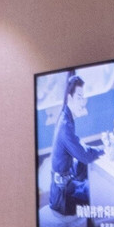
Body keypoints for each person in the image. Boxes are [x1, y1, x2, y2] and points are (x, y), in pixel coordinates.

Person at [44, 72, 93, 218]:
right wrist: (102, 151)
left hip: (63, 185)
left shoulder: (65, 115)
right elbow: (84, 155)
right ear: (70, 98)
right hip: (62, 198)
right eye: (80, 98)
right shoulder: (65, 124)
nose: (83, 102)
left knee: (83, 167)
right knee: (94, 192)